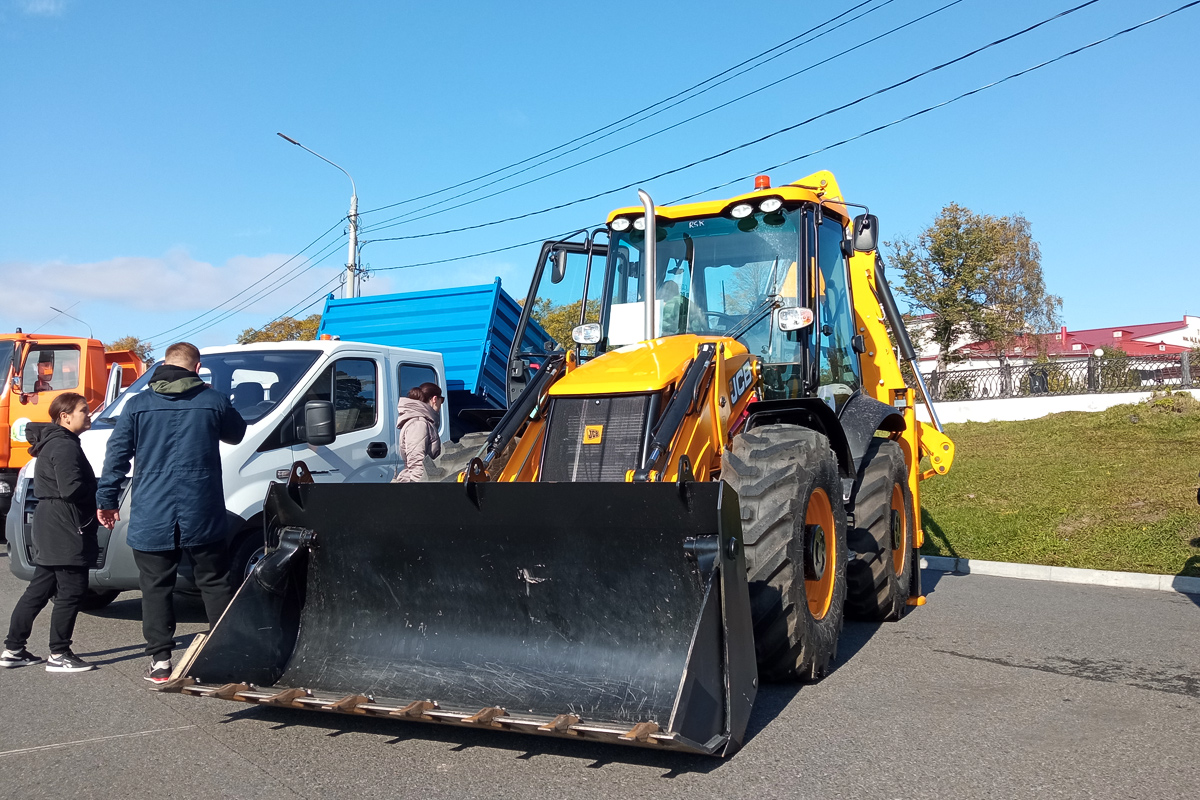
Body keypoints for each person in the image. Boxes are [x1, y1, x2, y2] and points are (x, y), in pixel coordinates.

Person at [96, 342, 246, 684]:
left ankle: (161, 662)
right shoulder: (212, 400)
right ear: (197, 368)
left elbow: (116, 456)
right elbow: (236, 434)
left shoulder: (138, 405)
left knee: (155, 586)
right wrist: (215, 395)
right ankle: (227, 656)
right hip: (202, 508)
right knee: (215, 582)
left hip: (152, 509)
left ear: (163, 365)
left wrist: (106, 500)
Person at [1, 393, 99, 673]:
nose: (88, 415)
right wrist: (100, 493)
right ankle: (59, 654)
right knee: (71, 590)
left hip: (49, 521)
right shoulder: (65, 446)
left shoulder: (53, 443)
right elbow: (71, 489)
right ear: (65, 416)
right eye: (83, 410)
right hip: (64, 524)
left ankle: (13, 649)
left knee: (40, 588)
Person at [392, 382, 443, 483]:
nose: (441, 405)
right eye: (442, 400)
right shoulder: (418, 423)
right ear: (434, 399)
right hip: (416, 483)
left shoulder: (422, 422)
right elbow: (417, 463)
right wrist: (419, 492)